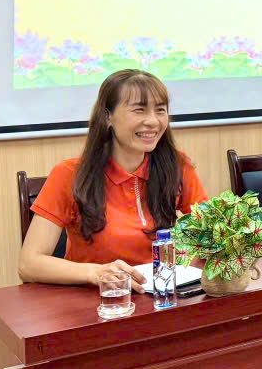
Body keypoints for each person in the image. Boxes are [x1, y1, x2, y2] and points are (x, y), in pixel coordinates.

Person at [19, 69, 207, 286]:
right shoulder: (69, 174)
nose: (153, 121)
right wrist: (96, 273)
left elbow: (214, 233)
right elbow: (29, 264)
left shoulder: (177, 165)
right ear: (108, 117)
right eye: (139, 110)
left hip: (162, 297)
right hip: (99, 299)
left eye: (160, 110)